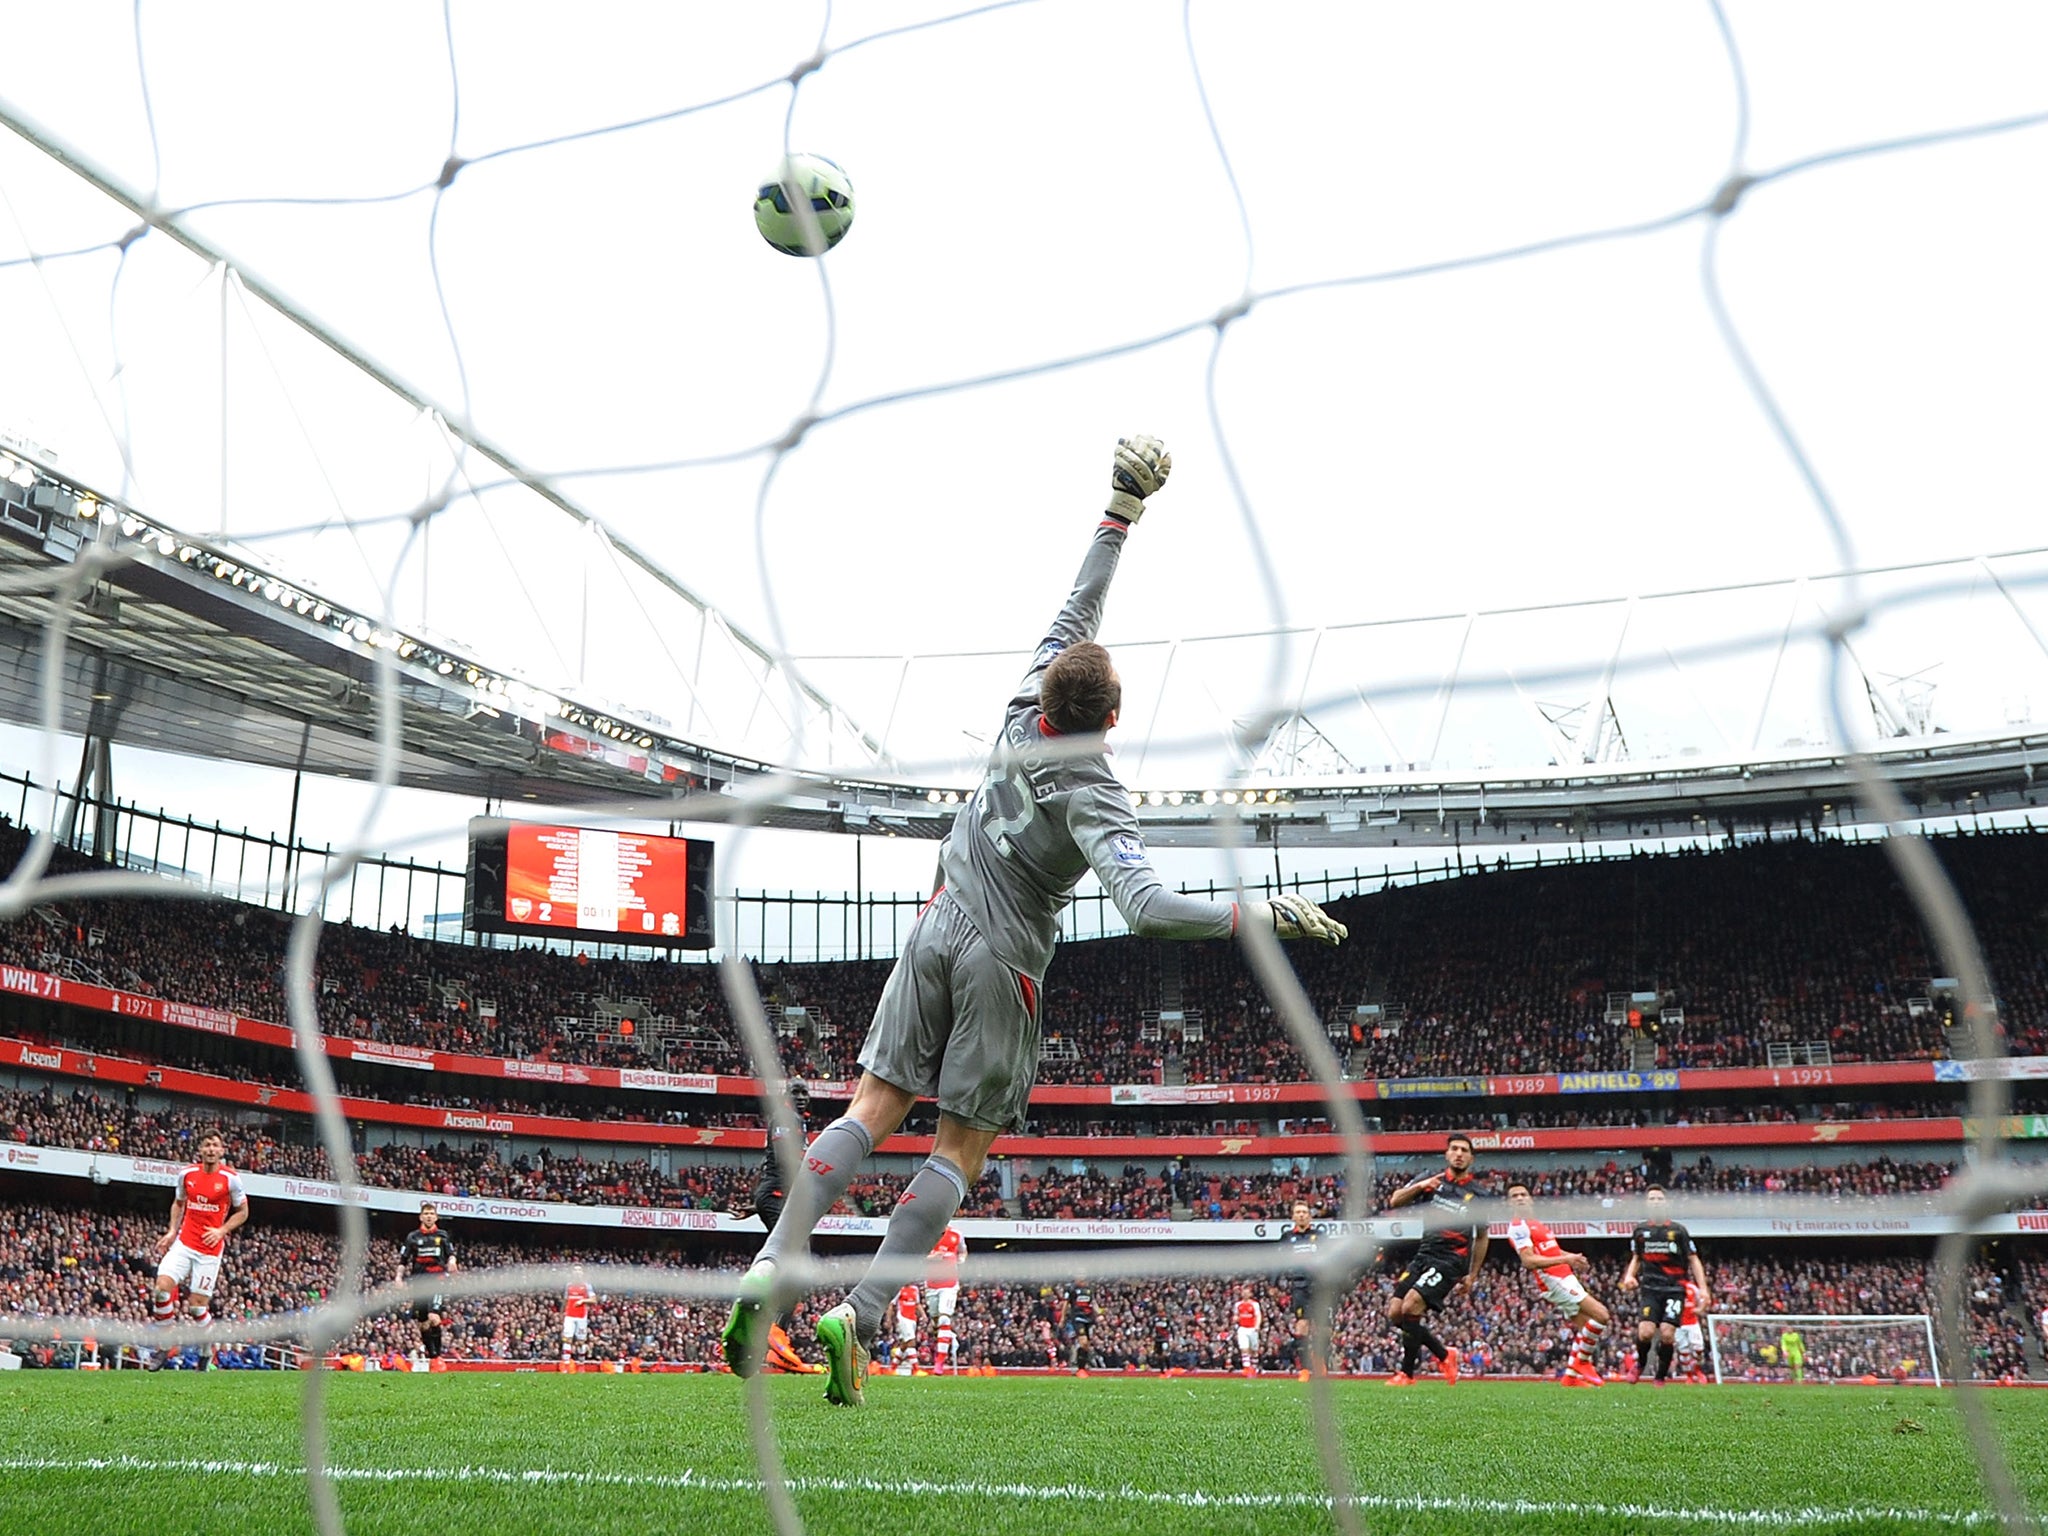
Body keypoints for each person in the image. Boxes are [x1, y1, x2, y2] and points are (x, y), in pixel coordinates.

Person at [721, 435, 1349, 1406]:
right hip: (1003, 960)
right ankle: (861, 1314)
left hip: (935, 920)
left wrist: (1119, 511)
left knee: (867, 1110)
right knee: (956, 1150)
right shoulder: (1093, 785)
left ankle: (768, 1265)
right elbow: (1144, 909)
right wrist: (1255, 912)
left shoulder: (1022, 703)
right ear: (1112, 715)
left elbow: (1077, 606)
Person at [1383, 1133, 1486, 1386]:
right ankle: (1443, 1354)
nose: (1459, 1153)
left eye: (1464, 1150)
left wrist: (1472, 1274)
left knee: (1410, 1306)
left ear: (1471, 1158)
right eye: (1455, 1149)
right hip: (1424, 1253)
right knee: (1396, 1313)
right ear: (1447, 1154)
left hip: (1452, 1259)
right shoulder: (1431, 1180)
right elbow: (1395, 1200)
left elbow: (1482, 1236)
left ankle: (1406, 1374)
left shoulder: (1479, 1195)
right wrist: (1420, 1187)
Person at [149, 1129, 248, 1369]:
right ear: (201, 1150)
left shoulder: (230, 1179)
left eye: (215, 1145)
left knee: (196, 1307)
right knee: (161, 1289)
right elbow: (178, 1202)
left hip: (210, 1251)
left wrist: (222, 1230)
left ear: (222, 1150)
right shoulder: (187, 1175)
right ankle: (164, 1346)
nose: (211, 1149)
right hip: (184, 1243)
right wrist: (172, 1231)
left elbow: (243, 1212)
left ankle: (206, 1348)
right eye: (207, 1145)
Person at [1503, 1180, 1612, 1387]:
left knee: (1585, 1327)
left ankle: (1570, 1377)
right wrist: (1565, 1261)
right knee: (1601, 1315)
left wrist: (1572, 1257)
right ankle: (1582, 1362)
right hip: (1553, 1279)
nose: (1519, 1198)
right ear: (1509, 1204)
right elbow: (1529, 1261)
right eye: (1514, 1196)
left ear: (1530, 1199)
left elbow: (1552, 1251)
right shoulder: (1519, 1227)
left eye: (1523, 1194)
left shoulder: (1536, 1223)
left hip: (1565, 1276)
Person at [1619, 1185, 1710, 1385]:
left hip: (1675, 1289)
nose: (1656, 1202)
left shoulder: (1678, 1231)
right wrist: (1629, 1276)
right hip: (1650, 1288)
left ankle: (1660, 1376)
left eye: (1659, 1199)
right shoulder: (1641, 1231)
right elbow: (1637, 1257)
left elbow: (1693, 1259)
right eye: (1652, 1199)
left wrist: (1703, 1288)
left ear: (1666, 1203)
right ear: (1647, 1204)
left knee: (1668, 1335)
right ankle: (1641, 1363)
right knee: (1645, 1332)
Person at [397, 1202, 458, 1361]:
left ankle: (438, 1358)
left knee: (434, 1317)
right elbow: (403, 1260)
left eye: (432, 1213)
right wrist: (398, 1278)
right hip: (418, 1283)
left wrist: (452, 1262)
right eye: (426, 1214)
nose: (429, 1216)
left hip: (437, 1281)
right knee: (423, 1323)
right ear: (421, 1216)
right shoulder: (412, 1237)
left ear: (436, 1217)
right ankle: (433, 1356)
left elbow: (451, 1254)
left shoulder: (443, 1235)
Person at [1278, 1199, 1321, 1379]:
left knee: (1321, 1327)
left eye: (1304, 1212)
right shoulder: (1287, 1238)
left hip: (1319, 1284)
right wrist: (1275, 1282)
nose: (1302, 1215)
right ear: (1293, 1216)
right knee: (1302, 1325)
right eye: (1298, 1212)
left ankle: (1319, 1361)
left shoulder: (1320, 1236)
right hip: (1299, 1285)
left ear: (1309, 1216)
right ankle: (1304, 1369)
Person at [926, 1224, 966, 1374]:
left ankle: (939, 1362)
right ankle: (946, 1339)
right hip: (931, 1285)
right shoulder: (928, 1234)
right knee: (936, 1322)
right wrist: (932, 1258)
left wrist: (961, 1259)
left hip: (949, 1284)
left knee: (944, 1319)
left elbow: (963, 1251)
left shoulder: (956, 1234)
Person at [1675, 1277, 1708, 1383]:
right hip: (1678, 1325)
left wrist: (1700, 1309)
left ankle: (1698, 1371)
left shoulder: (1692, 1287)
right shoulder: (1672, 1287)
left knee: (1698, 1349)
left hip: (1692, 1323)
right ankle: (1689, 1376)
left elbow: (1704, 1298)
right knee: (1684, 1352)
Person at [561, 1266, 593, 1367]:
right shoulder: (568, 1286)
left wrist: (583, 1301)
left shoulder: (587, 1286)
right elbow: (565, 1300)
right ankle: (566, 1364)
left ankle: (581, 1362)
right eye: (575, 1270)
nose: (577, 1272)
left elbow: (594, 1300)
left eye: (579, 1270)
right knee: (567, 1339)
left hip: (581, 1316)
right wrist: (561, 1312)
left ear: (582, 1273)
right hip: (569, 1315)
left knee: (581, 1342)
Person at [1233, 1285, 1264, 1378]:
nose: (1245, 1294)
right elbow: (1236, 1315)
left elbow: (1258, 1315)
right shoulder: (1238, 1304)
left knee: (1254, 1350)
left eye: (1247, 1293)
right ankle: (1247, 1368)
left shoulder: (1254, 1304)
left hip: (1252, 1329)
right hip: (1242, 1328)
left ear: (1250, 1294)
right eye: (1243, 1292)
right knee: (1244, 1348)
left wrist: (1257, 1325)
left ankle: (1254, 1368)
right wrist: (1235, 1318)